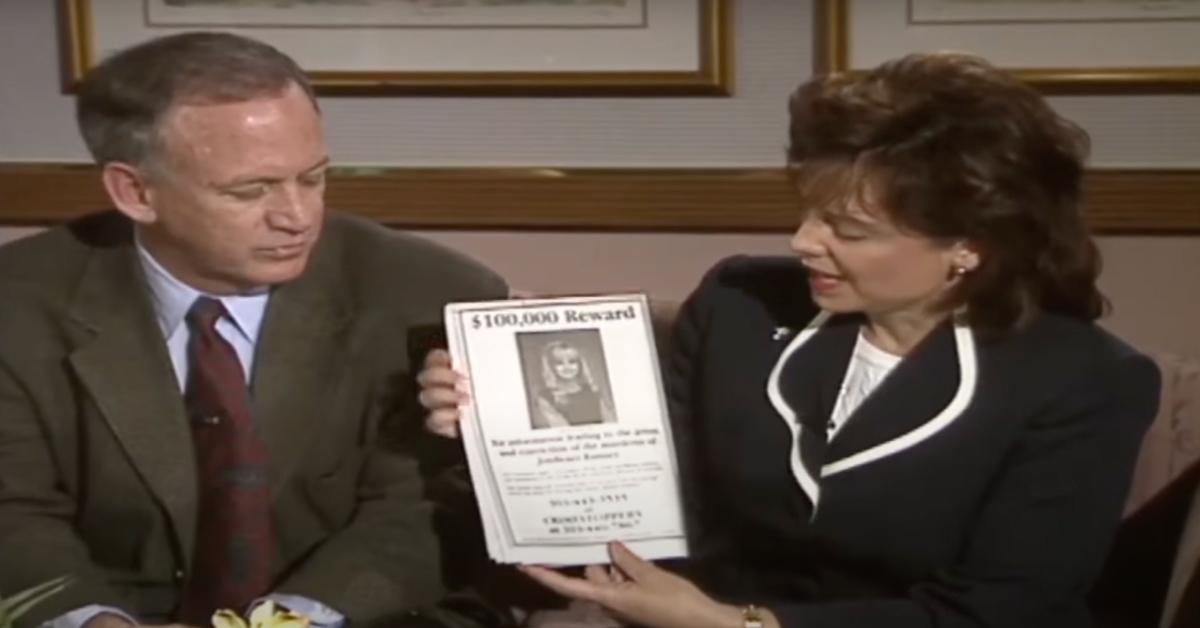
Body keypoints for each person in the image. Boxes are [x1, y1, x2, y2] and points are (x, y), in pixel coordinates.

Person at [418, 52, 1161, 627]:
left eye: (849, 229)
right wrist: (498, 434)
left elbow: (1002, 613)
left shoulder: (1083, 381)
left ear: (970, 246)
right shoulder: (740, 303)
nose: (803, 241)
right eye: (808, 212)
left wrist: (733, 624)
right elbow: (645, 505)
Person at [0, 32, 507, 628]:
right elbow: (13, 510)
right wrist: (91, 621)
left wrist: (291, 621)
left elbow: (420, 506)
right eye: (251, 190)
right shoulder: (19, 303)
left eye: (313, 178)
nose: (297, 217)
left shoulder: (425, 293)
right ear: (135, 192)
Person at [528, 339, 617, 429]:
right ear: (551, 366)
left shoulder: (591, 390)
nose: (567, 367)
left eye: (572, 362)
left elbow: (610, 421)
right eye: (559, 363)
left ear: (580, 364)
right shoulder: (546, 397)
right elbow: (561, 429)